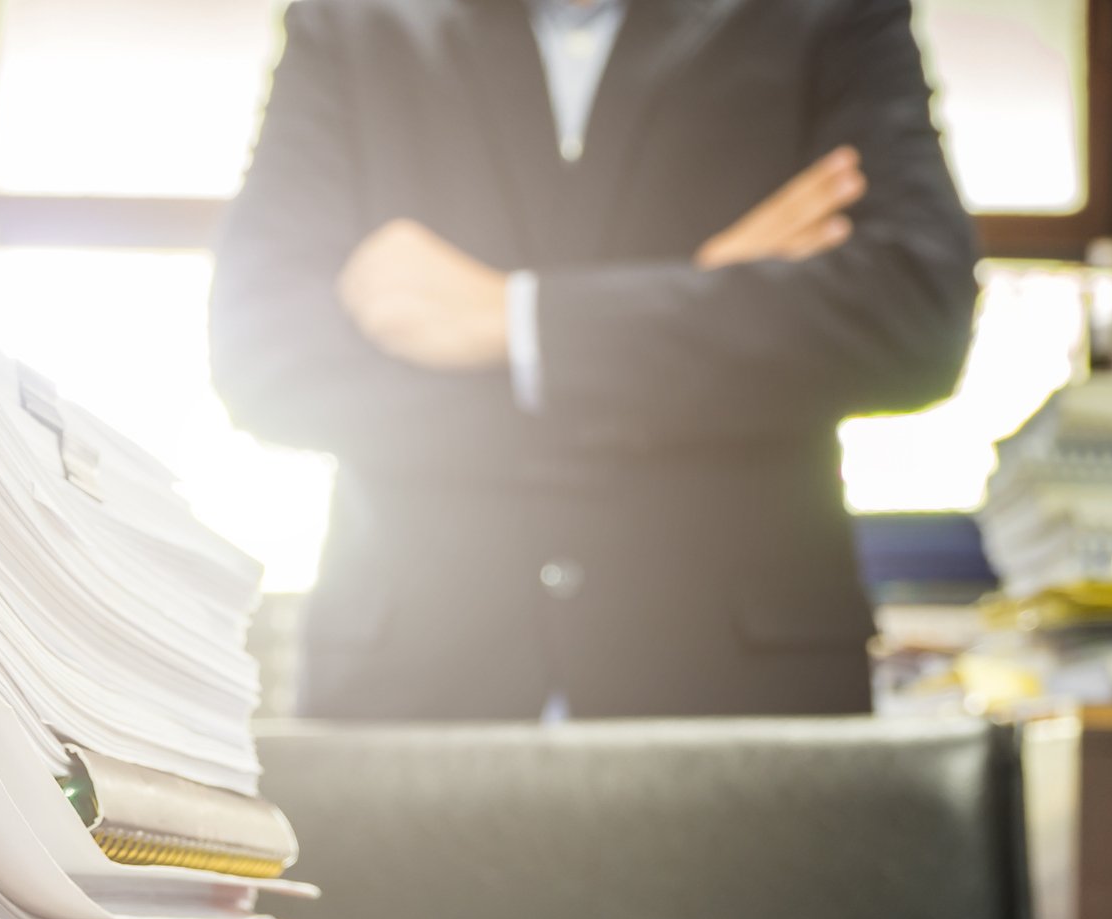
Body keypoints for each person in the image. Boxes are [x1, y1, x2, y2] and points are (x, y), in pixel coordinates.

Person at [210, 0, 979, 719]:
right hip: (410, 692)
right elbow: (266, 361)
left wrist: (516, 319)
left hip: (737, 700)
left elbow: (912, 317)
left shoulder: (826, 14)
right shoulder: (351, 21)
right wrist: (704, 298)